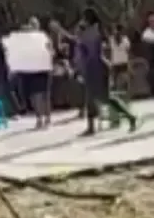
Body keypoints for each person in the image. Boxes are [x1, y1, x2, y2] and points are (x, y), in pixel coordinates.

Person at [56, 8, 137, 136]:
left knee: (104, 98)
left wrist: (64, 32)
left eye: (83, 18)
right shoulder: (91, 31)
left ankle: (129, 117)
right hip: (93, 67)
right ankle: (92, 126)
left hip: (96, 67)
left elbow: (86, 48)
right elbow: (78, 42)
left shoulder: (93, 31)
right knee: (93, 98)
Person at [3, 19, 54, 128]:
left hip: (42, 69)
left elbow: (51, 51)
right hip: (29, 70)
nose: (31, 27)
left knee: (44, 95)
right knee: (34, 95)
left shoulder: (43, 37)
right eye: (30, 25)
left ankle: (47, 117)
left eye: (34, 25)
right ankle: (39, 118)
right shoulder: (24, 39)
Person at [107, 24, 131, 94]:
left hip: (123, 61)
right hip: (115, 62)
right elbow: (109, 50)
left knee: (125, 78)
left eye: (118, 31)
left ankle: (127, 92)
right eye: (115, 31)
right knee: (114, 79)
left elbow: (128, 50)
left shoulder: (125, 39)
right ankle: (114, 92)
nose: (117, 32)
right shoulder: (111, 39)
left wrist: (129, 61)